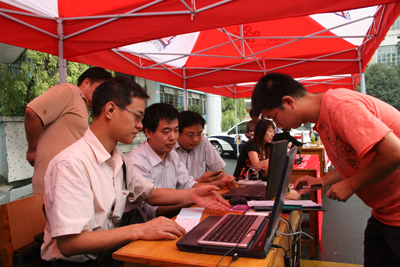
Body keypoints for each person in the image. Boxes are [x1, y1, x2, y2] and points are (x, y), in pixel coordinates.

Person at [41, 76, 230, 265]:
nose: (140, 126)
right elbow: (69, 244)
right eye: (137, 117)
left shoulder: (119, 160)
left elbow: (152, 194)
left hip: (108, 255)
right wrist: (140, 229)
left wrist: (194, 193)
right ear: (110, 110)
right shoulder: (71, 164)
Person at [251, 72, 400, 266]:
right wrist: (324, 181)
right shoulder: (324, 118)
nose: (278, 126)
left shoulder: (340, 107)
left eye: (274, 118)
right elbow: (358, 160)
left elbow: (394, 153)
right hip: (383, 213)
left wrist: (351, 184)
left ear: (288, 102)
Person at [127, 103, 235, 220]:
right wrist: (194, 198)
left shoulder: (172, 155)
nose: (173, 137)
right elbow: (153, 211)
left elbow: (188, 184)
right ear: (148, 132)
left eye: (176, 130)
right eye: (166, 132)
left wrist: (217, 184)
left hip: (176, 219)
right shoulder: (136, 162)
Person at [24, 67, 113, 193]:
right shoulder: (71, 91)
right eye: (101, 89)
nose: (103, 96)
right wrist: (32, 149)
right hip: (52, 185)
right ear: (86, 82)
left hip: (66, 185)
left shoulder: (83, 107)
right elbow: (32, 112)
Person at [175, 110, 227, 183]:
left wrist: (226, 181)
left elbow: (220, 172)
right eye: (190, 135)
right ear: (177, 132)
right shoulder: (169, 148)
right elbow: (170, 186)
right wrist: (199, 181)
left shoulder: (203, 141)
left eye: (199, 134)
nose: (196, 139)